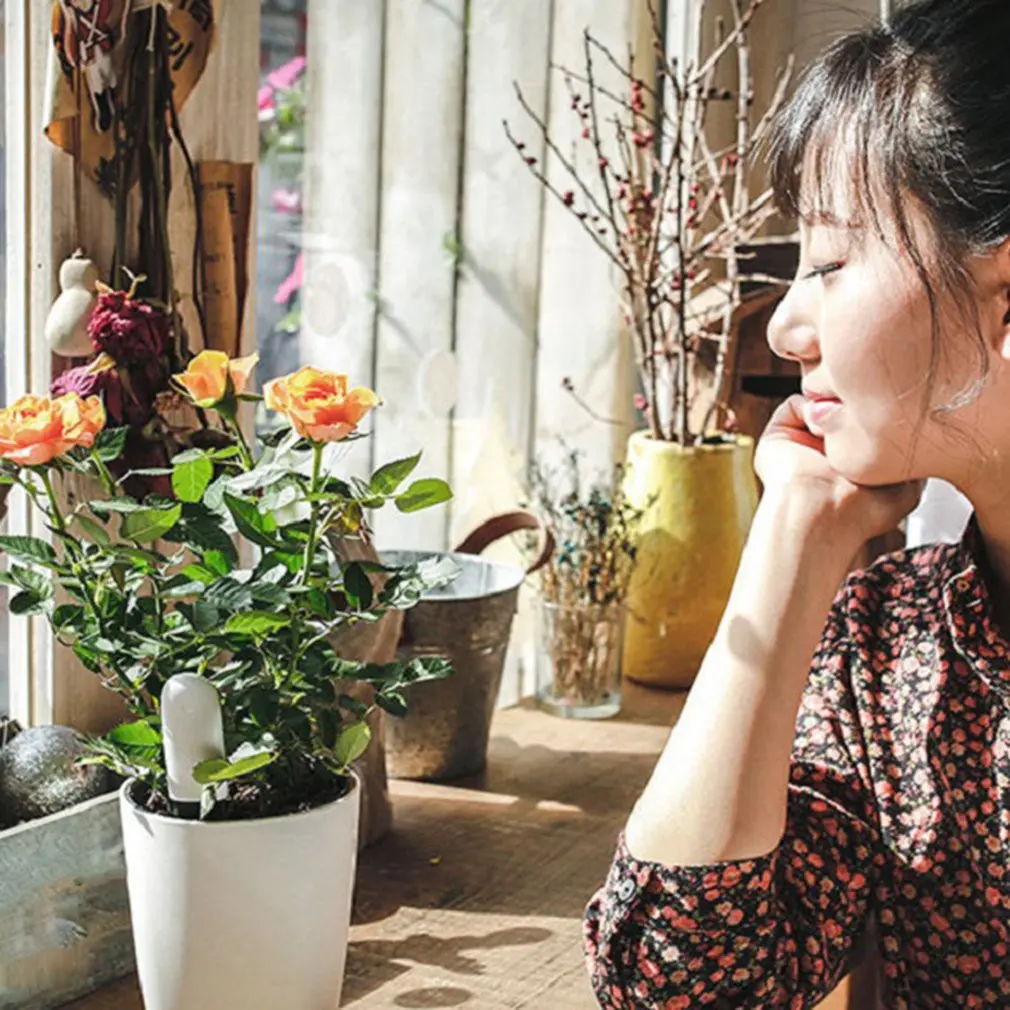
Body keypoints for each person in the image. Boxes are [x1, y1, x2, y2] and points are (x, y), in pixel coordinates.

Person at [584, 2, 1010, 1007]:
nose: (782, 328)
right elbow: (678, 989)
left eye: (828, 260)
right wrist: (794, 533)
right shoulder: (895, 648)